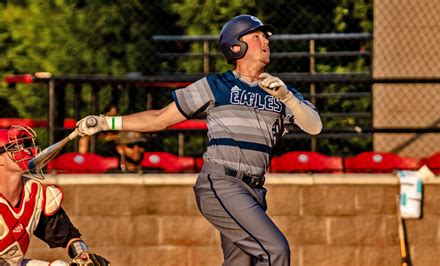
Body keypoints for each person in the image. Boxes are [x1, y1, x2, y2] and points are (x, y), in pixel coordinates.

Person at [76, 14, 322, 265]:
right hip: (223, 183)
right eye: (257, 36)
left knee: (240, 262)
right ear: (236, 46)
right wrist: (107, 122)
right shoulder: (217, 84)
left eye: (266, 37)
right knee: (275, 250)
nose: (266, 42)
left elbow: (314, 126)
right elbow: (161, 118)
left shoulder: (279, 90)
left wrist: (287, 98)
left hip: (255, 191)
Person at [0, 125, 109, 265]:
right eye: (15, 147)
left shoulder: (35, 194)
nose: (25, 150)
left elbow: (69, 236)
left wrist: (83, 254)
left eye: (24, 145)